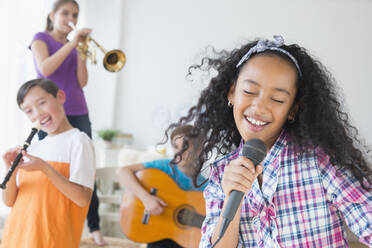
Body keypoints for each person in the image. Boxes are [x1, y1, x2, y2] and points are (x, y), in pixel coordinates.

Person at [167, 35, 372, 247]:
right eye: (249, 91)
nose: (260, 107)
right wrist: (231, 200)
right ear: (231, 93)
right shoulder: (221, 173)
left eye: (277, 99)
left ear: (293, 109)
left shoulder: (321, 161)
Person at [29, 0, 105, 245]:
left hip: (78, 109)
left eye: (74, 14)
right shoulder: (40, 38)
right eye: (65, 13)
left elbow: (81, 82)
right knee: (51, 169)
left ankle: (94, 227)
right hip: (49, 112)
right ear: (52, 15)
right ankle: (48, 222)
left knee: (86, 173)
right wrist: (73, 43)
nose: (70, 18)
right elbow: (45, 69)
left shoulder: (75, 46)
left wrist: (81, 51)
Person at [1, 79, 95, 248]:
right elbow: (9, 201)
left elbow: (82, 198)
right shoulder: (34, 147)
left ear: (60, 97)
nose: (38, 114)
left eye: (42, 103)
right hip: (16, 238)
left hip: (51, 241)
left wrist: (45, 168)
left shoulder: (78, 141)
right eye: (29, 111)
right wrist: (10, 168)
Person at [118, 124, 207, 248]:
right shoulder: (163, 167)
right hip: (158, 235)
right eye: (176, 147)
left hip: (185, 240)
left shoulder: (205, 186)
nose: (179, 153)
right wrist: (146, 198)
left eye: (185, 147)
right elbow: (123, 171)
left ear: (198, 150)